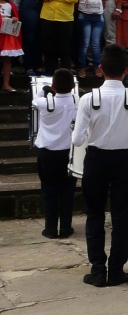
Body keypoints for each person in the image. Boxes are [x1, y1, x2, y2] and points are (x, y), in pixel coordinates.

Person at [73, 45, 128, 287]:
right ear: (126, 70)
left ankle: (97, 269)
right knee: (122, 216)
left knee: (94, 215)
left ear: (100, 69)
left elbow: (77, 140)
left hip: (96, 159)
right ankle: (116, 270)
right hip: (124, 160)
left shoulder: (88, 99)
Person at [33, 68, 78, 237]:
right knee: (68, 191)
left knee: (49, 190)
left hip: (47, 153)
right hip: (69, 152)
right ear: (74, 86)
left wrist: (44, 91)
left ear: (53, 87)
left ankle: (50, 228)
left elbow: (35, 100)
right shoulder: (77, 101)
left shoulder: (45, 103)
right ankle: (66, 227)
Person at [39, 0, 81, 75]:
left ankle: (65, 75)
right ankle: (49, 74)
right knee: (48, 48)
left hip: (65, 18)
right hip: (47, 17)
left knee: (64, 49)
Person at [76, 0, 105, 77]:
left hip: (98, 17)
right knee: (85, 43)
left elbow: (103, 1)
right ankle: (82, 67)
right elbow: (76, 2)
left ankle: (96, 67)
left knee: (96, 44)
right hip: (85, 17)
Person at [0, 0, 22, 90]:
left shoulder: (10, 4)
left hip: (6, 35)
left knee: (7, 60)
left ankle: (6, 83)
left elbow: (15, 17)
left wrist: (14, 19)